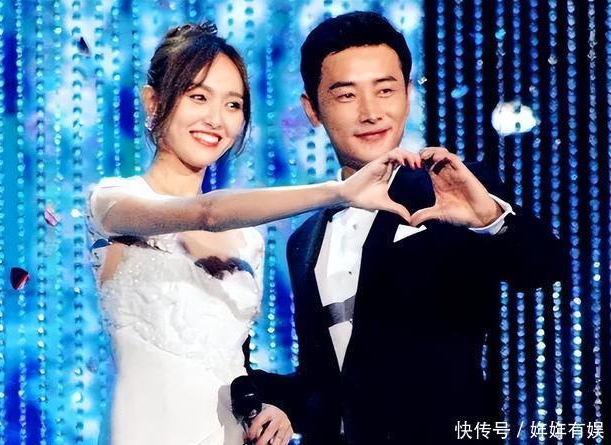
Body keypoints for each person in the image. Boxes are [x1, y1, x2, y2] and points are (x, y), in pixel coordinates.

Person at [85, 22, 418, 445]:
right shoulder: (112, 202)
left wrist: (271, 410)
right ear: (153, 101)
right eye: (198, 96)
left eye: (233, 104)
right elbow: (207, 213)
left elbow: (231, 370)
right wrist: (338, 191)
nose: (215, 119)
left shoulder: (247, 241)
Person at [245, 11, 567, 444]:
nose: (370, 112)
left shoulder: (452, 191)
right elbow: (324, 383)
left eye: (385, 90)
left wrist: (490, 219)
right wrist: (248, 389)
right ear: (312, 109)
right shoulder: (305, 240)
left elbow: (543, 266)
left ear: (408, 94)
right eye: (346, 95)